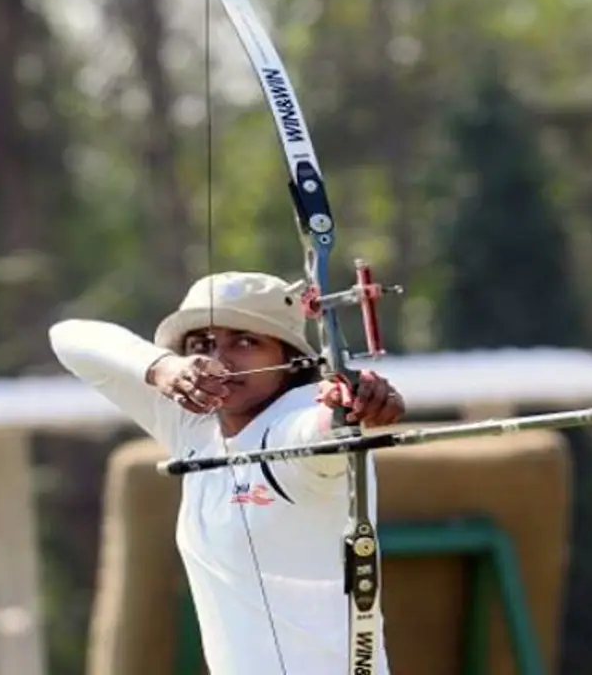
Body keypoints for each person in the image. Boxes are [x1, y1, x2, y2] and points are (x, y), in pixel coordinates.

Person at [49, 271, 404, 675]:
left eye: (246, 341)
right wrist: (161, 367)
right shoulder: (193, 425)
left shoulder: (296, 422)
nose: (219, 359)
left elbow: (324, 427)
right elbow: (68, 336)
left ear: (291, 359)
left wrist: (354, 405)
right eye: (202, 344)